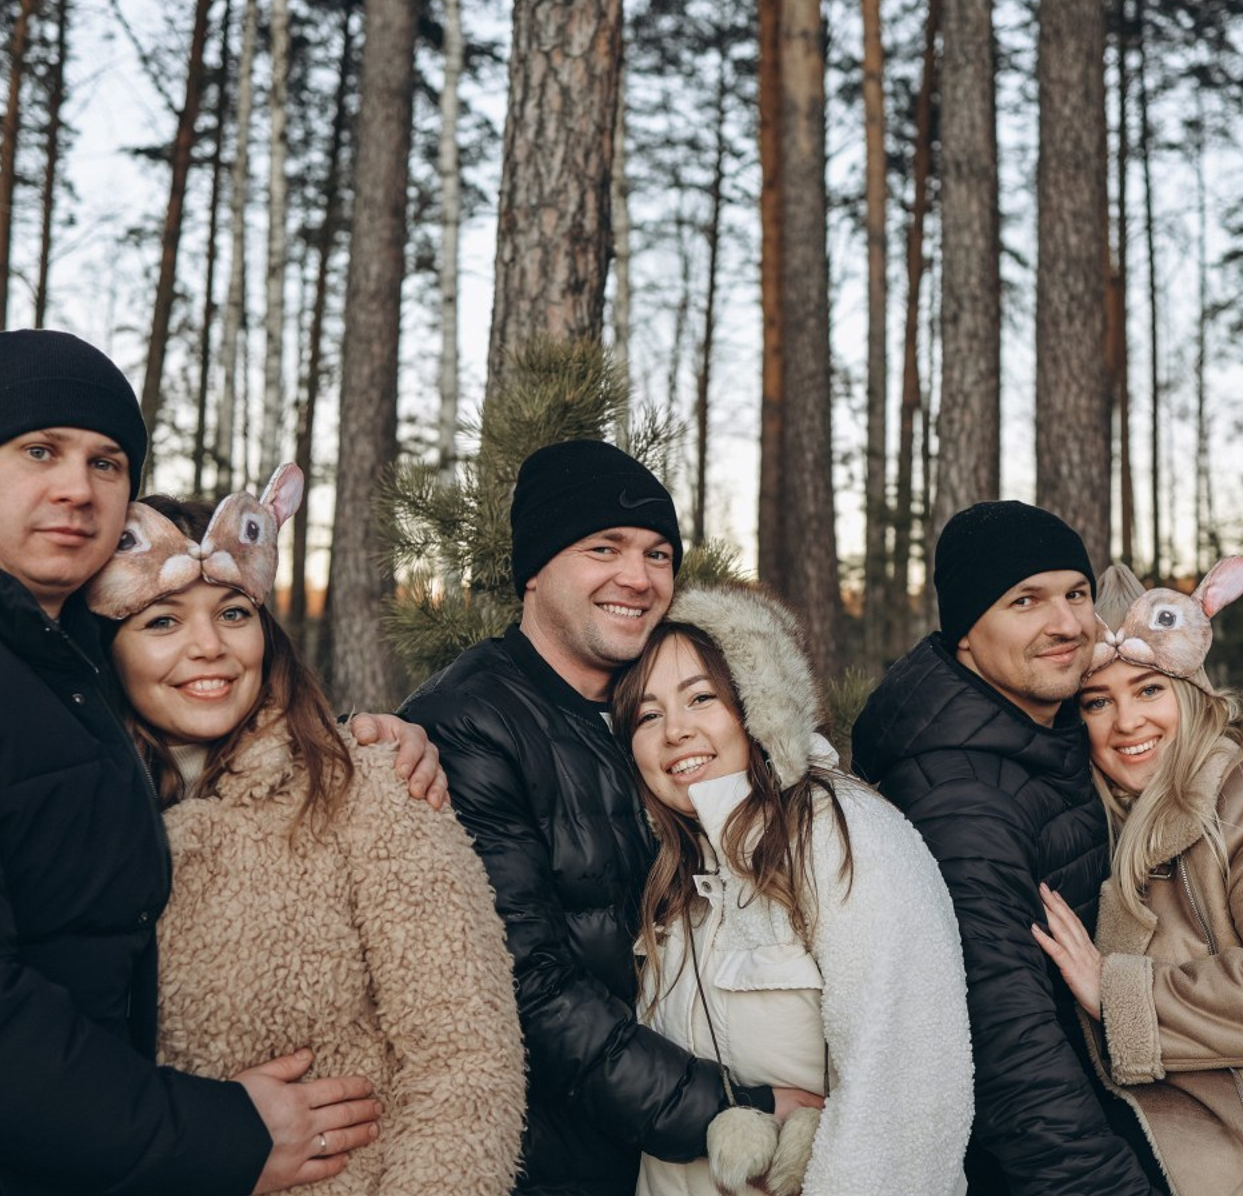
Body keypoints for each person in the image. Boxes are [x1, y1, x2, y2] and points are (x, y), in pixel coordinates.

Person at [0, 329, 438, 1196]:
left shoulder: (70, 677)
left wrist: (357, 737)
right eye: (39, 450)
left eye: (107, 462)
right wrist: (223, 1134)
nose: (76, 487)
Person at [84, 470, 525, 1195]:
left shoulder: (368, 785)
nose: (209, 647)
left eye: (233, 613)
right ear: (107, 647)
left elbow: (464, 1059)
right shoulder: (71, 819)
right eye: (162, 622)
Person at [400, 440, 817, 1196]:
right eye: (604, 547)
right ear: (535, 568)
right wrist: (727, 1107)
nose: (638, 577)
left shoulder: (655, 713)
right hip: (552, 1163)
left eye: (659, 555)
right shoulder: (469, 723)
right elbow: (522, 986)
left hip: (661, 1164)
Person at [610, 585, 973, 1196]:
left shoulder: (843, 835)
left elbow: (906, 1094)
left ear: (758, 706)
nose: (675, 731)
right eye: (648, 716)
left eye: (701, 698)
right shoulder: (670, 875)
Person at [851, 500, 1164, 1194]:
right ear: (966, 632)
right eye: (1026, 600)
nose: (1067, 624)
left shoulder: (1051, 733)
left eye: (1076, 594)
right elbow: (1008, 1047)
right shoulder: (962, 800)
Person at [1034, 560, 1243, 1195]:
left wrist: (1118, 993)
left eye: (1149, 690)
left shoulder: (1232, 799)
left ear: (1189, 691)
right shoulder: (1106, 822)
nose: (1126, 723)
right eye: (1098, 701)